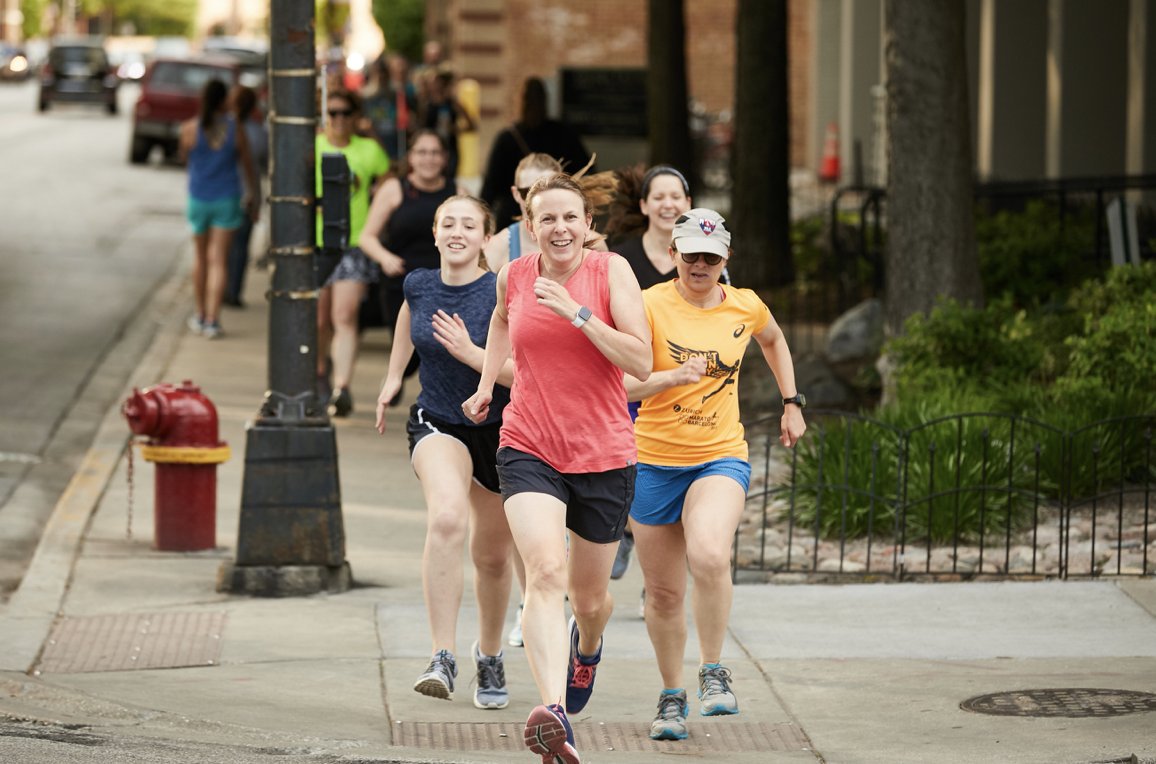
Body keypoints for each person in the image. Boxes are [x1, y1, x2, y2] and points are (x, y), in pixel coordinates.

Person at [463, 172, 652, 764]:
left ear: (588, 225)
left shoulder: (611, 272)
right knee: (545, 572)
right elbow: (498, 322)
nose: (560, 227)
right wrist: (487, 382)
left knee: (589, 600)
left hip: (602, 453)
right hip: (529, 444)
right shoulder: (513, 275)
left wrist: (577, 314)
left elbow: (641, 361)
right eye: (548, 218)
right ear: (531, 226)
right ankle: (554, 716)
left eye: (570, 217)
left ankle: (587, 647)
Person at [623, 209, 806, 742]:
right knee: (662, 594)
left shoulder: (745, 305)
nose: (699, 265)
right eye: (690, 255)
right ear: (673, 255)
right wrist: (672, 377)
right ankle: (671, 695)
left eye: (711, 256)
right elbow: (620, 385)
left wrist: (791, 401)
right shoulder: (648, 303)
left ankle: (713, 670)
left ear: (726, 258)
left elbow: (773, 340)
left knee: (708, 554)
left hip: (720, 455)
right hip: (653, 460)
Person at [375, 194, 517, 709]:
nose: (457, 232)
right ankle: (442, 655)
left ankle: (490, 653)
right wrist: (393, 378)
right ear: (435, 234)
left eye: (468, 225)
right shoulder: (419, 283)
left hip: (499, 429)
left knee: (493, 557)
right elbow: (406, 323)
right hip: (437, 421)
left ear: (485, 237)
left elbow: (520, 373)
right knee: (448, 520)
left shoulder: (500, 290)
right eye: (447, 224)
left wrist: (470, 354)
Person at [604, 164, 697, 582]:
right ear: (643, 205)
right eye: (658, 196)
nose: (667, 204)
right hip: (628, 384)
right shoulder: (619, 255)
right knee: (631, 475)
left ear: (688, 203)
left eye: (675, 196)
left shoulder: (702, 256)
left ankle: (655, 583)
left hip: (682, 388)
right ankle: (624, 532)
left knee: (667, 485)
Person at [360, 130, 462, 405]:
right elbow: (366, 236)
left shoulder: (457, 192)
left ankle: (438, 400)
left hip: (447, 285)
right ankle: (396, 376)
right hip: (402, 284)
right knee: (411, 350)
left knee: (442, 346)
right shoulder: (395, 189)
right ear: (411, 158)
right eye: (421, 152)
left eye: (434, 153)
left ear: (444, 158)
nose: (428, 159)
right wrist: (384, 257)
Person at [315, 88, 392, 415]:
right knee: (319, 319)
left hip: (354, 245)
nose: (339, 119)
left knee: (344, 316)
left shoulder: (369, 150)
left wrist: (378, 221)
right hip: (314, 243)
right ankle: (320, 372)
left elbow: (390, 187)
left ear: (355, 116)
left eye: (346, 112)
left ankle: (341, 387)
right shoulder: (312, 146)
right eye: (333, 112)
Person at [179, 78, 259, 339]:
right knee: (219, 261)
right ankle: (213, 319)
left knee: (200, 258)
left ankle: (199, 313)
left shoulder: (190, 128)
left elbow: (184, 159)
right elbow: (248, 166)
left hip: (198, 198)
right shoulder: (235, 129)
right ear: (224, 99)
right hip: (227, 198)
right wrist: (254, 197)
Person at [480, 77, 591, 232]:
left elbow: (490, 188)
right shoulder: (562, 134)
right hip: (556, 215)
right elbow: (587, 173)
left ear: (520, 101)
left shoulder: (507, 138)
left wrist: (480, 222)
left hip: (514, 216)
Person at [224, 85, 268, 308]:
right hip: (246, 197)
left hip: (223, 196)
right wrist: (256, 201)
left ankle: (221, 289)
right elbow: (263, 167)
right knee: (240, 248)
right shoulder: (259, 133)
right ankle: (232, 291)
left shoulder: (221, 129)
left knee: (221, 249)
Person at [361, 52, 417, 163]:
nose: (381, 77)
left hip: (396, 146)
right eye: (378, 73)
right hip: (375, 146)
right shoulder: (366, 97)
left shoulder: (398, 94)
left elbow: (411, 118)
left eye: (384, 73)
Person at [422, 67, 476, 181]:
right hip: (432, 148)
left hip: (450, 149)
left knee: (449, 180)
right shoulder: (427, 104)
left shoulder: (452, 103)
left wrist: (455, 129)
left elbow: (472, 125)